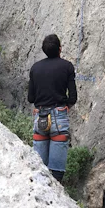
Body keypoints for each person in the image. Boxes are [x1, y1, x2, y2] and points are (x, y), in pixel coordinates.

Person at [28, 34, 77, 183]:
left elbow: (31, 98)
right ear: (60, 49)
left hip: (40, 117)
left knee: (39, 170)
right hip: (59, 116)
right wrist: (66, 105)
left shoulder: (35, 68)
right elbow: (73, 96)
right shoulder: (67, 66)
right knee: (56, 173)